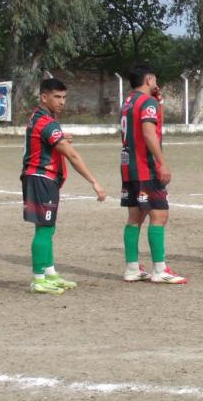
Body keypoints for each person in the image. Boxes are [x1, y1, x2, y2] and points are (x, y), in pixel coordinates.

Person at [21, 78, 106, 295]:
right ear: (44, 97)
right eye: (57, 97)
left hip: (42, 178)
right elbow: (72, 156)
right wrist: (94, 181)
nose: (62, 102)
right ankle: (39, 279)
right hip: (41, 177)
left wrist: (61, 137)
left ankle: (49, 273)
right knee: (44, 228)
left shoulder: (42, 118)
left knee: (48, 228)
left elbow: (42, 139)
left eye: (64, 97)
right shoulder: (47, 123)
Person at [119, 64, 186, 284]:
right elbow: (149, 133)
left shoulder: (128, 102)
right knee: (159, 216)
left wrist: (159, 101)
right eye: (155, 80)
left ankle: (132, 268)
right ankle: (159, 269)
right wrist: (162, 163)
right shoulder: (146, 102)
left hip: (129, 169)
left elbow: (147, 127)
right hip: (146, 168)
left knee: (134, 217)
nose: (157, 84)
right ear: (148, 80)